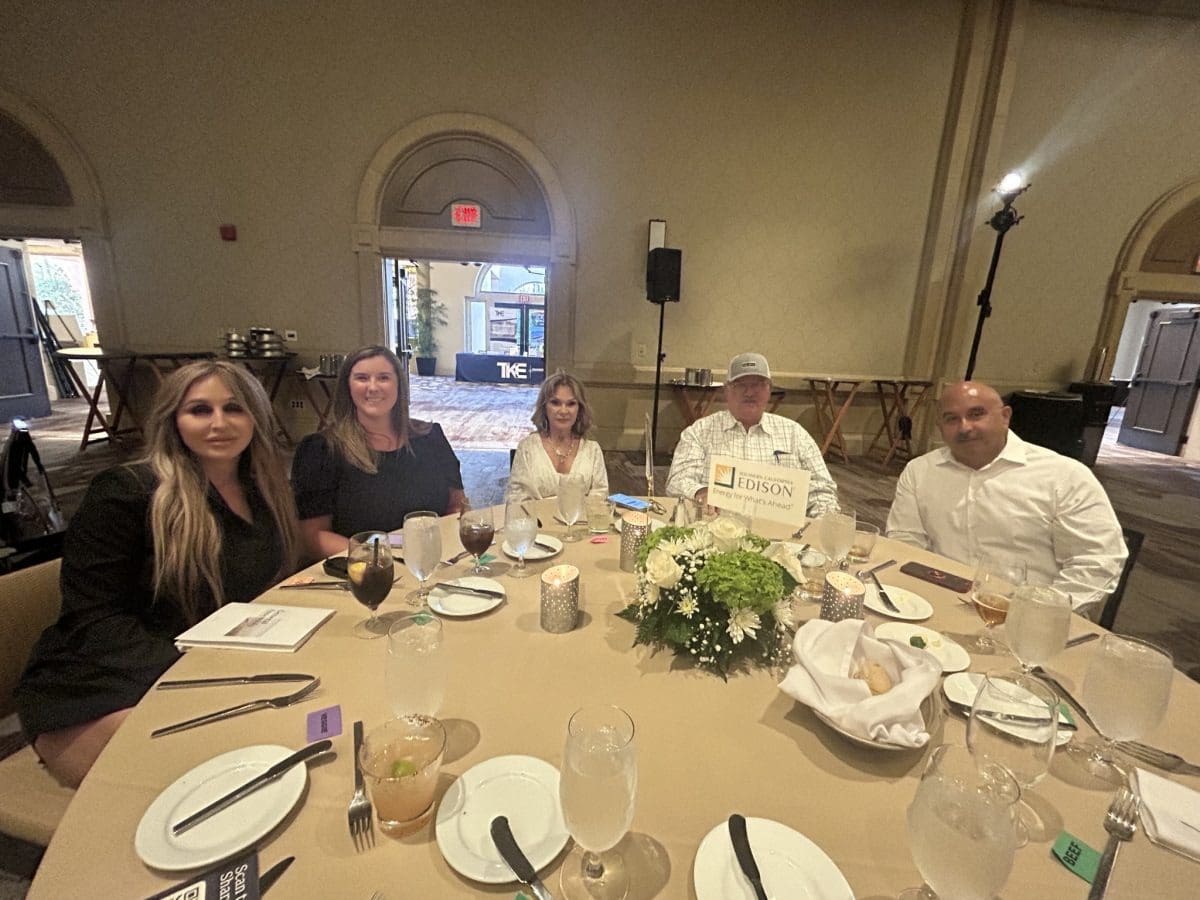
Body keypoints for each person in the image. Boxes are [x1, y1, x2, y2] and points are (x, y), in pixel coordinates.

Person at [15, 361, 299, 787]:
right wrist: (199, 673)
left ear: (256, 418)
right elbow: (94, 620)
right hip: (100, 686)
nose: (218, 423)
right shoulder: (125, 493)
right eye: (199, 410)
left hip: (206, 668)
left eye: (234, 408)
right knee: (231, 773)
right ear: (173, 420)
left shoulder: (262, 491)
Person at [886, 380, 1127, 613]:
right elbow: (905, 541)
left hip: (1033, 614)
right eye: (951, 419)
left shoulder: (1064, 476)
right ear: (939, 426)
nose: (965, 427)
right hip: (936, 602)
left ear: (1005, 416)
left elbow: (1097, 562)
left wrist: (1034, 611)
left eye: (976, 414)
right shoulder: (920, 471)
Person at [292, 346, 466, 559]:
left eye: (383, 378)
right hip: (362, 569)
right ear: (347, 386)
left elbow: (456, 506)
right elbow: (312, 536)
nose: (373, 387)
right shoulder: (321, 450)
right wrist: (377, 558)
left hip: (431, 561)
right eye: (362, 378)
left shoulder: (431, 438)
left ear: (399, 385)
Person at [665, 352, 839, 516]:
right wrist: (700, 492)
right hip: (714, 528)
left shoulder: (795, 434)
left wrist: (823, 521)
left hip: (783, 533)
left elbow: (822, 490)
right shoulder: (700, 432)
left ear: (769, 389)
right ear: (726, 390)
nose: (749, 392)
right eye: (740, 385)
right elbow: (677, 481)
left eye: (757, 385)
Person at [508, 370, 609, 502]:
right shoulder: (527, 448)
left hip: (582, 516)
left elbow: (600, 497)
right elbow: (515, 499)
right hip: (535, 515)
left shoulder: (592, 450)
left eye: (571, 404)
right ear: (544, 407)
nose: (563, 411)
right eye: (555, 403)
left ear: (579, 409)